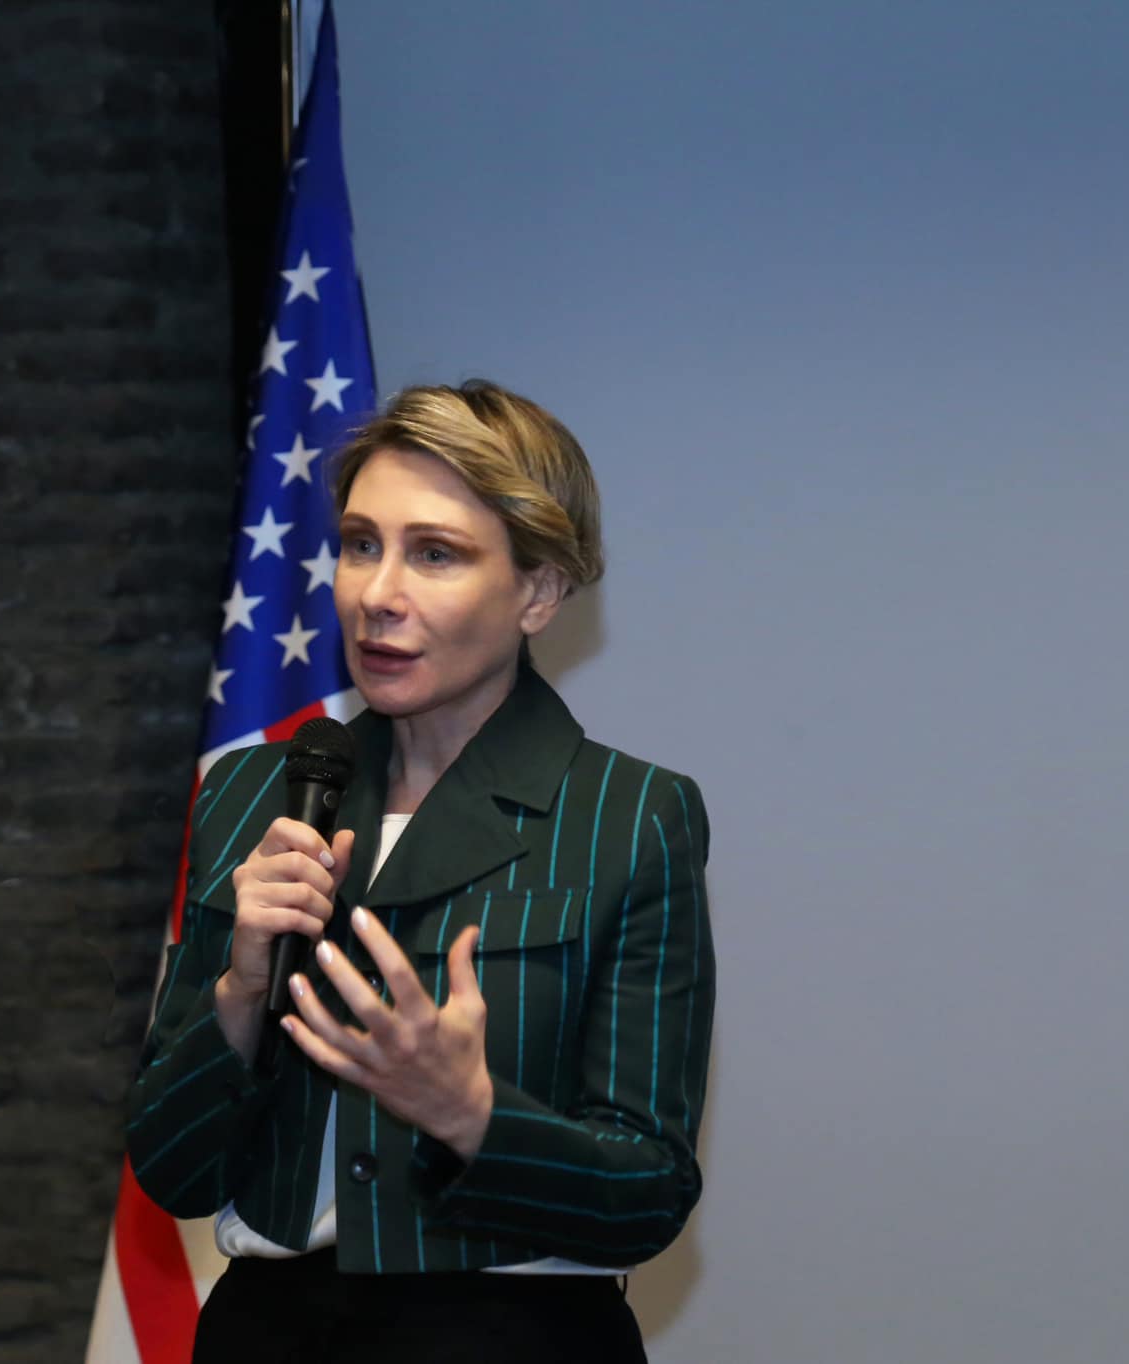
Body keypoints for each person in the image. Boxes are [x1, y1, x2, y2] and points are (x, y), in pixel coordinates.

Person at [126, 380, 716, 1363]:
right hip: (264, 1332)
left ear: (538, 592)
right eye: (361, 544)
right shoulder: (250, 792)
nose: (377, 593)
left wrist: (469, 1114)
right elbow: (171, 1169)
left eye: (434, 553)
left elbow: (646, 1195)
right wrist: (237, 994)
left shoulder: (628, 814)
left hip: (507, 1338)